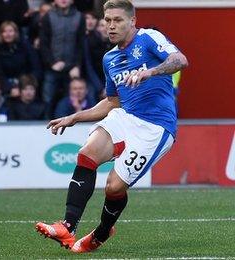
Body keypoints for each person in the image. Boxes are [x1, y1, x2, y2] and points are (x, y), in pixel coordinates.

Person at [35, 0, 188, 253]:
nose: (111, 26)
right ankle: (67, 226)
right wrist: (74, 117)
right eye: (107, 20)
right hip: (125, 116)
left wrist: (150, 72)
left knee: (114, 187)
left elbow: (180, 60)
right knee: (87, 154)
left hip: (156, 126)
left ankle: (102, 232)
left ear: (132, 21)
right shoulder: (110, 58)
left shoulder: (149, 37)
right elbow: (112, 102)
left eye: (117, 20)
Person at [39, 0, 86, 117]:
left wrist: (77, 65)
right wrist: (52, 63)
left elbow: (81, 45)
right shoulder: (48, 16)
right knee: (48, 99)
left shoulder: (80, 17)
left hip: (71, 69)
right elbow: (43, 43)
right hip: (52, 67)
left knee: (71, 100)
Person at [0, 21, 40, 98]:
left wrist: (25, 85)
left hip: (25, 83)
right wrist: (9, 88)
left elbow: (36, 67)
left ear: (15, 33)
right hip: (6, 85)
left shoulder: (25, 46)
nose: (8, 34)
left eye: (10, 31)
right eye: (4, 31)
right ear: (1, 34)